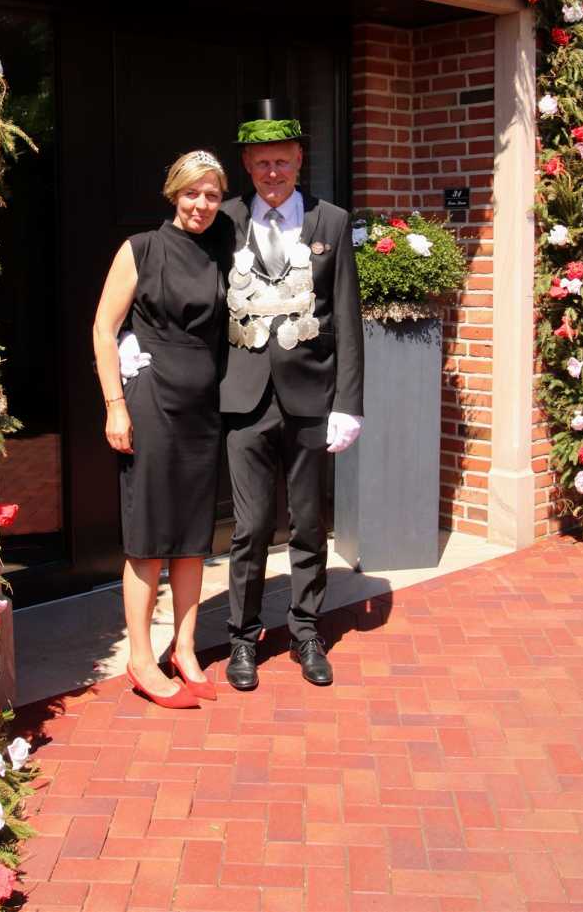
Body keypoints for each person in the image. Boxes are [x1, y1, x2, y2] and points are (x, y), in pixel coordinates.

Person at [220, 98, 364, 690]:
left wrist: (348, 403)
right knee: (251, 527)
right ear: (247, 166)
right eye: (261, 163)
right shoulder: (224, 219)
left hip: (311, 397)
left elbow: (347, 317)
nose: (272, 173)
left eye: (281, 161)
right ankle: (242, 637)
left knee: (307, 522)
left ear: (300, 159)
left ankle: (306, 630)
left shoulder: (331, 221)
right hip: (244, 398)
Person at [93, 150, 230, 708]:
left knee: (194, 537)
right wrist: (115, 405)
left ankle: (186, 649)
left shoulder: (222, 249)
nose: (202, 204)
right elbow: (103, 329)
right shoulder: (141, 249)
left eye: (212, 195)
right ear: (174, 192)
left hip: (202, 408)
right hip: (150, 402)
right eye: (192, 193)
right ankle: (141, 658)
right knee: (149, 536)